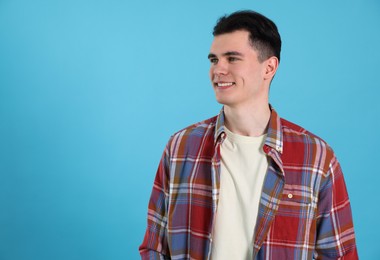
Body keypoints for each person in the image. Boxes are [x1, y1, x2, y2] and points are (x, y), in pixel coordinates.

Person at [139, 10, 358, 259]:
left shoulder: (316, 157)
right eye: (213, 60)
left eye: (232, 58)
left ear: (269, 67)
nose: (218, 70)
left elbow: (341, 254)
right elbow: (154, 247)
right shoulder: (180, 148)